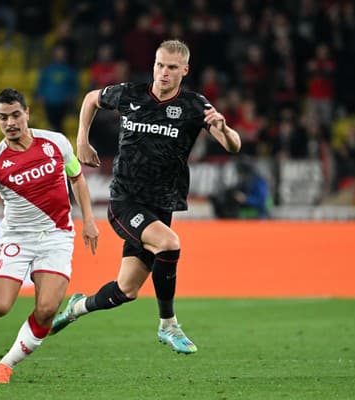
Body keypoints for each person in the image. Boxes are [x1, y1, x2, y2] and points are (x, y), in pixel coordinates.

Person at [50, 40, 241, 354]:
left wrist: (224, 128)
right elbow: (91, 99)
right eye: (159, 65)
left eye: (171, 68)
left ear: (184, 70)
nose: (163, 73)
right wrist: (81, 138)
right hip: (126, 201)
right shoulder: (131, 94)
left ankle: (77, 307)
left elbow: (232, 144)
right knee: (169, 243)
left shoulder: (195, 105)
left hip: (161, 205)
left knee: (126, 290)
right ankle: (169, 325)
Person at [0, 88, 99, 383]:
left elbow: (77, 178)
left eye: (15, 115)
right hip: (16, 238)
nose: (10, 122)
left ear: (27, 113)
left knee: (47, 310)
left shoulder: (56, 143)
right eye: (3, 117)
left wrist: (89, 220)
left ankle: (6, 364)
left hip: (56, 236)